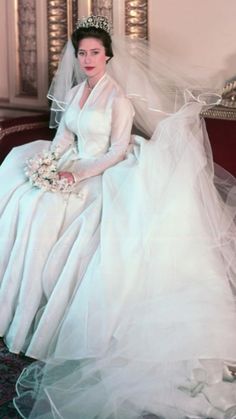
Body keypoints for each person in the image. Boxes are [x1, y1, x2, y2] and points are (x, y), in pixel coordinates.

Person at [0, 14, 236, 419]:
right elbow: (63, 136)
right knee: (23, 191)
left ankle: (53, 322)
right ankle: (15, 307)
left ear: (108, 56)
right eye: (82, 53)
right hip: (73, 161)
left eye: (95, 52)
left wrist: (78, 173)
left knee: (65, 209)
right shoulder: (75, 94)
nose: (88, 59)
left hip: (105, 169)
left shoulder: (118, 100)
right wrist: (50, 163)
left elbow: (117, 150)